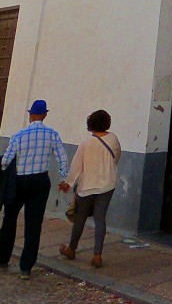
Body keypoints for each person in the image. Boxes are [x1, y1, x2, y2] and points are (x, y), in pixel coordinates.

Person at [0, 99, 68, 278]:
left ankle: (2, 259)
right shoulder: (52, 134)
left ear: (30, 115)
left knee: (9, 218)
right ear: (45, 115)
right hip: (40, 181)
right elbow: (62, 157)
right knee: (33, 224)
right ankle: (26, 267)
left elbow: (6, 161)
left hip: (19, 181)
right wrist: (63, 177)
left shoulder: (18, 135)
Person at [57, 110, 121, 269]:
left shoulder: (86, 143)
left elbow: (77, 165)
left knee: (80, 218)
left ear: (90, 124)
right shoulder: (113, 138)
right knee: (100, 219)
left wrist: (68, 183)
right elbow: (116, 157)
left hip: (87, 186)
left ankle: (72, 249)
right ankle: (97, 255)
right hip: (107, 184)